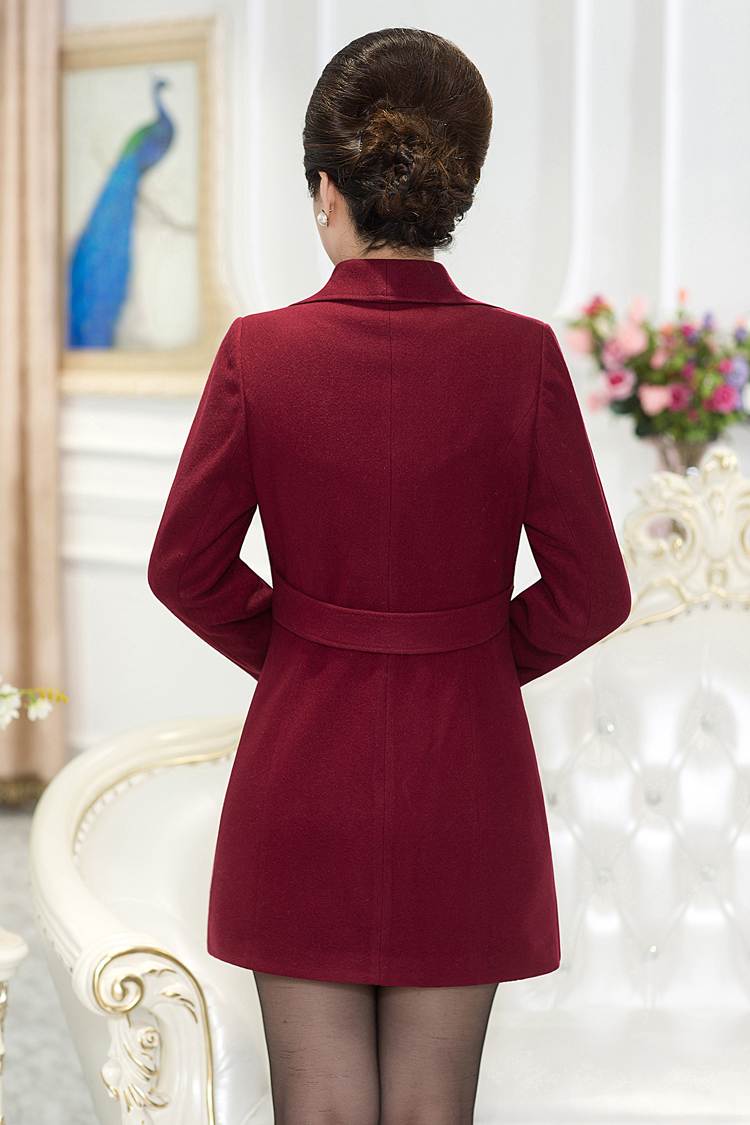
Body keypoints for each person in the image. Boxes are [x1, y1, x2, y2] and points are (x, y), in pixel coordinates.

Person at [148, 27, 632, 1125]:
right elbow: (594, 593)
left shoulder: (260, 351)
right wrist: (465, 658)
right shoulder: (522, 356)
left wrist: (308, 651)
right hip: (468, 777)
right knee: (431, 1110)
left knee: (317, 1109)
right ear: (453, 191)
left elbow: (185, 567)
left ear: (328, 191)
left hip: (302, 771)